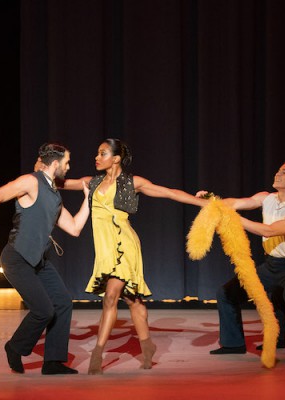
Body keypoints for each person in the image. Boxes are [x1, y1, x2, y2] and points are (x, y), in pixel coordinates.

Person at [59, 138, 208, 374]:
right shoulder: (92, 182)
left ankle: (97, 353)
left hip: (124, 245)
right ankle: (147, 344)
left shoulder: (132, 182)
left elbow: (169, 193)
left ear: (116, 158)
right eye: (97, 154)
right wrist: (40, 175)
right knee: (132, 300)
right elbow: (61, 184)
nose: (96, 158)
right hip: (105, 248)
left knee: (111, 296)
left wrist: (201, 202)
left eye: (102, 153)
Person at [0, 142, 91, 375]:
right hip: (17, 258)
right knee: (44, 310)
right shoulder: (30, 181)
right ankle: (14, 347)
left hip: (39, 261)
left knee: (62, 303)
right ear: (56, 163)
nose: (69, 168)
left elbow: (74, 228)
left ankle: (53, 362)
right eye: (67, 163)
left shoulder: (54, 194)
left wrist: (88, 201)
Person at [209, 160, 285, 364]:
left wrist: (231, 218)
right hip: (272, 265)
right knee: (226, 293)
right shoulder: (267, 198)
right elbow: (236, 202)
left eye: (284, 172)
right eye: (278, 171)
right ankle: (233, 343)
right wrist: (212, 201)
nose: (277, 174)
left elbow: (268, 231)